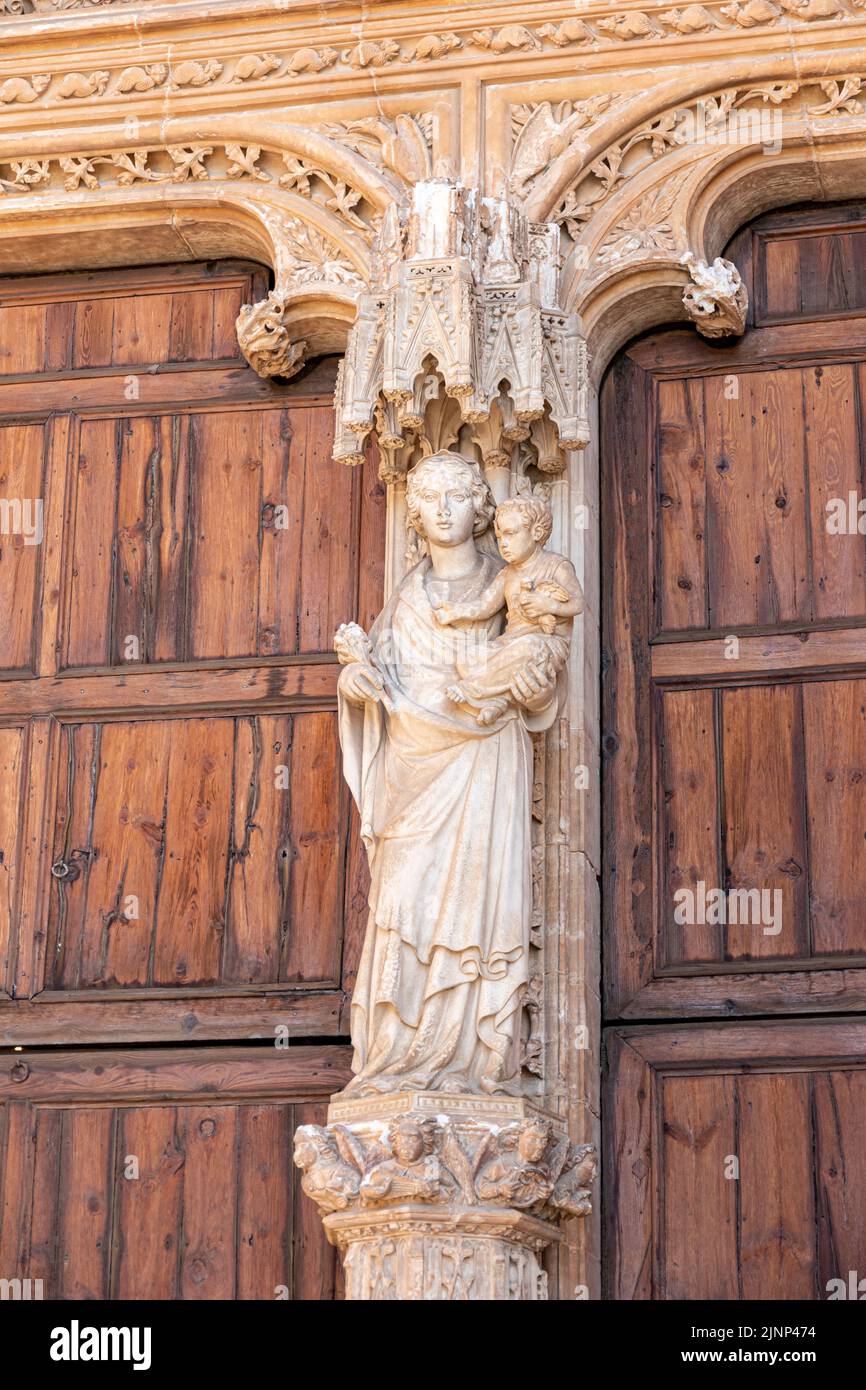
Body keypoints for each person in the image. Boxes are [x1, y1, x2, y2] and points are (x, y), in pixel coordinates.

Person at [336, 451, 561, 1096]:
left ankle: (472, 1056)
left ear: (482, 509)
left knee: (478, 905)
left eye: (457, 496)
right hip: (411, 762)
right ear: (413, 512)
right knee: (403, 896)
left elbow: (541, 688)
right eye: (429, 497)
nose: (442, 509)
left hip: (483, 759)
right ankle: (400, 1052)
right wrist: (357, 684)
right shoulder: (405, 599)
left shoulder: (511, 583)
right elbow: (375, 681)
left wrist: (534, 683)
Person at [433, 494, 584, 725]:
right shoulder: (508, 574)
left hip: (546, 644)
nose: (503, 542)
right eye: (500, 535)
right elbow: (485, 605)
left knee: (527, 650)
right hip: (511, 642)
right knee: (468, 657)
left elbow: (577, 603)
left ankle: (473, 690)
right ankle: (496, 701)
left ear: (537, 533)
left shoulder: (556, 566)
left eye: (511, 534)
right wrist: (456, 611)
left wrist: (549, 605)